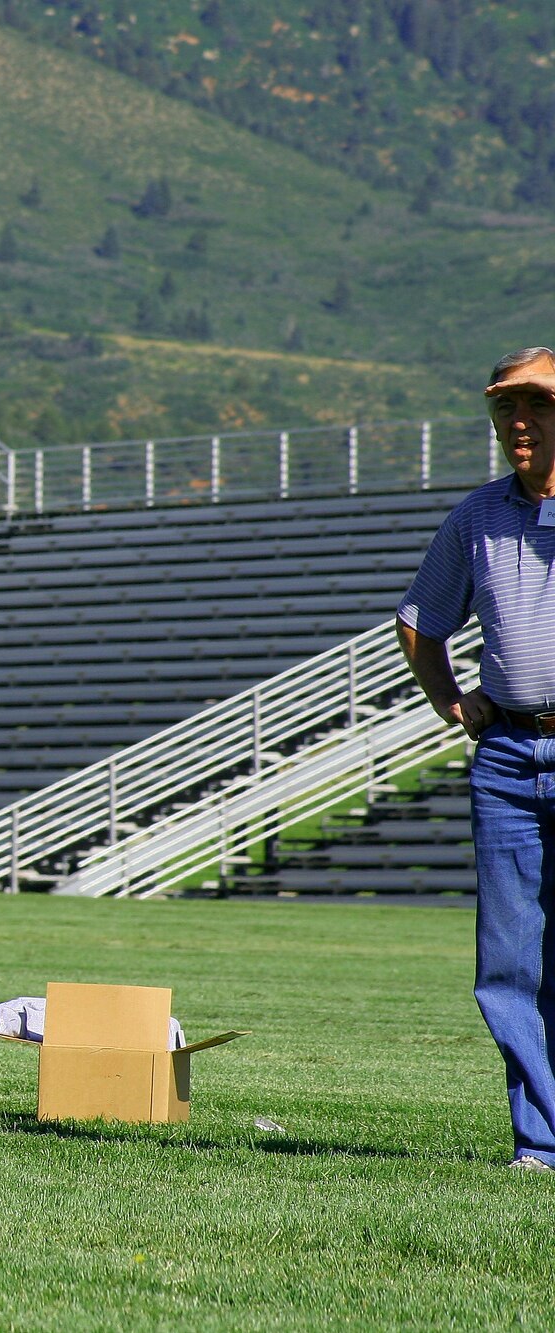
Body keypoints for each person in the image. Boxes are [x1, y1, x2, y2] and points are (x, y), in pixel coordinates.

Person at [399, 345, 555, 1171]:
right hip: (506, 760)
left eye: (536, 406)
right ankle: (541, 1144)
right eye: (505, 409)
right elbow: (422, 622)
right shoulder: (476, 517)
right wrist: (452, 702)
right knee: (508, 965)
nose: (518, 424)